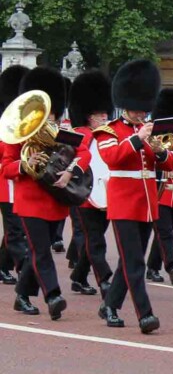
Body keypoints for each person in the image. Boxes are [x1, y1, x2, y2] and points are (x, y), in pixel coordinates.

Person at [4, 67, 87, 319]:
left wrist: (70, 171)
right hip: (29, 200)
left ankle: (22, 295)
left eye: (51, 111)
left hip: (56, 198)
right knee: (40, 250)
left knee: (41, 250)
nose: (47, 116)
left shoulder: (60, 133)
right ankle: (53, 295)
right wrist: (26, 164)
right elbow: (7, 167)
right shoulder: (18, 135)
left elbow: (83, 152)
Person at [95, 60, 168, 334]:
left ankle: (110, 306)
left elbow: (168, 164)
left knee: (130, 260)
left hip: (147, 204)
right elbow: (112, 157)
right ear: (125, 105)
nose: (140, 113)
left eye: (143, 109)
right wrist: (138, 138)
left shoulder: (147, 131)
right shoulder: (108, 131)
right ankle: (145, 314)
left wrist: (160, 151)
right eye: (136, 108)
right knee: (135, 262)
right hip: (124, 204)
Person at [67, 70, 115, 298]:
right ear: (88, 116)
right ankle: (105, 280)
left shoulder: (110, 135)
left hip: (105, 192)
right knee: (95, 240)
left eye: (105, 113)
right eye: (99, 114)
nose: (104, 117)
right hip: (84, 194)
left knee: (94, 239)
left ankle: (78, 276)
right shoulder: (79, 134)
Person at [144, 88, 173, 285]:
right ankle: (172, 265)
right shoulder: (151, 134)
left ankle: (152, 267)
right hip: (159, 187)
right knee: (164, 232)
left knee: (164, 232)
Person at [0, 65, 29, 287]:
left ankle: (2, 265)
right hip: (5, 183)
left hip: (18, 179)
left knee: (14, 228)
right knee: (16, 229)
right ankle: (26, 271)